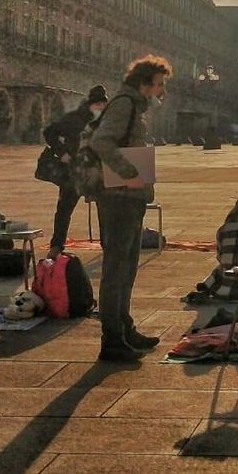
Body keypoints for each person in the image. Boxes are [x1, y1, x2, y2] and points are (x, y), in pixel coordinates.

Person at [89, 54, 171, 363]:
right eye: (159, 84)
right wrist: (130, 174)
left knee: (128, 266)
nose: (162, 90)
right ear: (145, 82)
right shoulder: (124, 104)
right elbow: (102, 142)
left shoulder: (136, 105)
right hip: (118, 198)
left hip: (130, 198)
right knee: (116, 269)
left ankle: (124, 327)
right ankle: (112, 339)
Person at [42, 84, 109, 254]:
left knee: (105, 209)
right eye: (97, 105)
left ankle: (107, 244)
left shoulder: (106, 122)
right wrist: (62, 152)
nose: (100, 108)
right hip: (74, 171)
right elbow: (50, 132)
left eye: (103, 105)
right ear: (90, 104)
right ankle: (57, 245)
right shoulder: (74, 119)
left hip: (97, 171)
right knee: (64, 209)